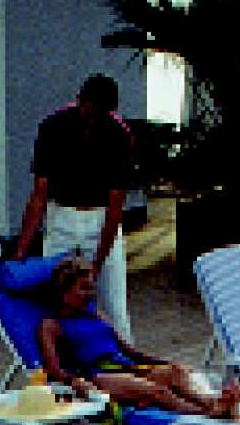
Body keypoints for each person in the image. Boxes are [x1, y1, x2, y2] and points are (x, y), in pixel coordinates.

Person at [10, 247, 238, 425]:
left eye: (92, 288)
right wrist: (75, 382)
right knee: (157, 392)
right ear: (64, 291)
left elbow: (129, 351)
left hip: (126, 367)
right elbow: (53, 370)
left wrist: (168, 363)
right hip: (99, 377)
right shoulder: (51, 325)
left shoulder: (97, 315)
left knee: (176, 373)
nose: (91, 294)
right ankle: (206, 414)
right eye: (84, 288)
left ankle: (213, 403)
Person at [10, 71, 147, 336]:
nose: (92, 119)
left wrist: (97, 265)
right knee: (52, 299)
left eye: (100, 114)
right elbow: (39, 193)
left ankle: (124, 355)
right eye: (89, 111)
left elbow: (116, 205)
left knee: (114, 306)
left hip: (100, 218)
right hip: (61, 216)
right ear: (79, 100)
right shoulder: (53, 127)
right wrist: (21, 249)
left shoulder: (119, 134)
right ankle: (54, 356)